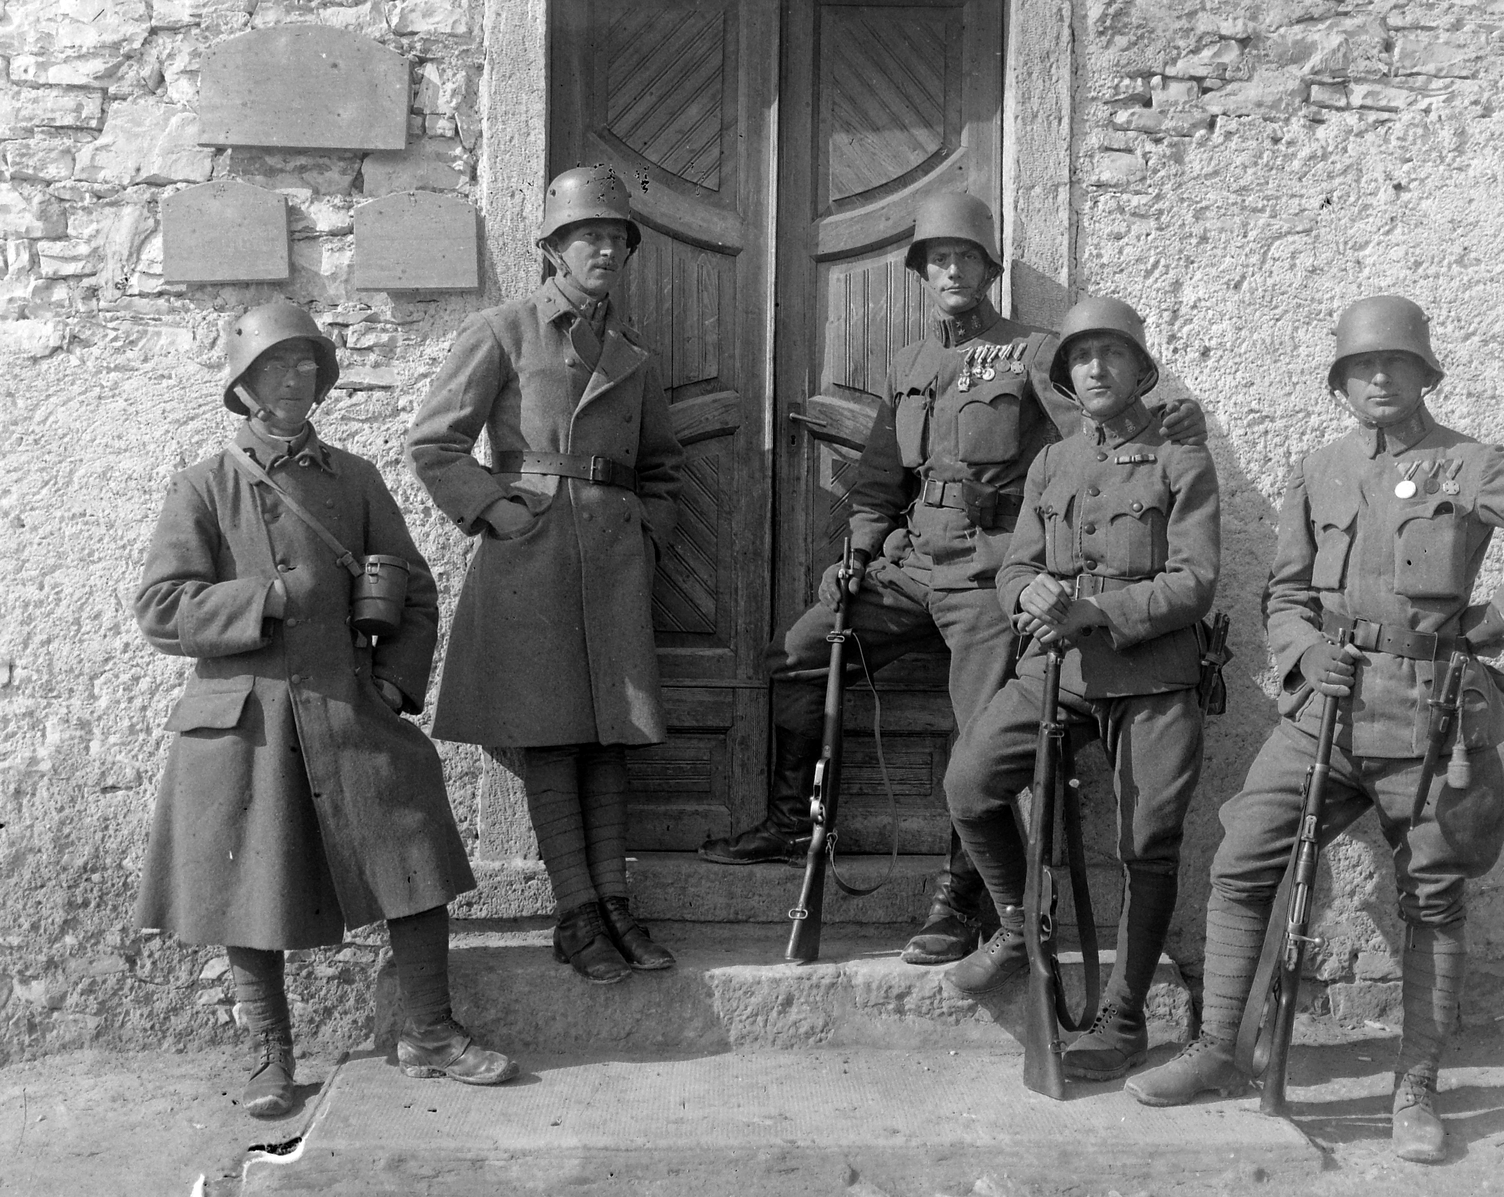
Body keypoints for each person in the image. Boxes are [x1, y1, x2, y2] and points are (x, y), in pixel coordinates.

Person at [1124, 296, 1504, 1163]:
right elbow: (1286, 595)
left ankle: (1415, 1086)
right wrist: (1304, 654)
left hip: (1431, 716)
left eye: (1395, 364)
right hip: (1328, 711)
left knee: (1435, 894)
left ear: (1425, 373)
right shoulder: (1321, 469)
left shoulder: (1470, 465)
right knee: (1242, 857)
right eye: (1360, 368)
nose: (1378, 379)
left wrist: (1499, 618)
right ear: (1340, 384)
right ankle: (1220, 1046)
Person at [699, 193, 1207, 966]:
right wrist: (858, 557)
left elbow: (1099, 440)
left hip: (988, 574)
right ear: (921, 274)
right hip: (907, 567)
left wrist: (1176, 420)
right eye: (937, 260)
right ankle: (796, 818)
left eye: (965, 258)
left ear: (989, 269)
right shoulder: (908, 364)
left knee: (980, 741)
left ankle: (963, 898)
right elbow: (877, 478)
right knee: (797, 654)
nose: (951, 271)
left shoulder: (1037, 353)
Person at [134, 302, 517, 1120]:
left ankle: (431, 1031)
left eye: (309, 365)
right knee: (252, 881)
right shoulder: (205, 485)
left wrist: (393, 684)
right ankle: (271, 1055)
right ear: (244, 386)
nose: (297, 379)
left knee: (412, 844)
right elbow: (162, 608)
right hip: (249, 717)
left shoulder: (356, 479)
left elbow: (413, 585)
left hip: (347, 700)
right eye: (279, 367)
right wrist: (265, 599)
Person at [408, 166, 684, 985]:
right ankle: (576, 910)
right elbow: (434, 443)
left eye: (615, 238)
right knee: (548, 735)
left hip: (611, 566)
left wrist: (647, 534)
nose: (603, 248)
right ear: (553, 249)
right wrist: (497, 511)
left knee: (609, 740)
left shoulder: (633, 355)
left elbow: (666, 469)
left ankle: (615, 904)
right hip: (530, 561)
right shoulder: (505, 329)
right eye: (586, 236)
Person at [938, 296, 1220, 1087]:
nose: (1095, 368)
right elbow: (1016, 565)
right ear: (1067, 375)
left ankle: (1124, 1017)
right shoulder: (1053, 462)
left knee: (1146, 844)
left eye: (1111, 355)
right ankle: (1018, 920)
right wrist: (1026, 594)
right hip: (1057, 673)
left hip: (1152, 674)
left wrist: (1097, 608)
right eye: (1081, 358)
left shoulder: (1179, 456)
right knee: (968, 783)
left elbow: (1195, 581)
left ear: (1139, 370)